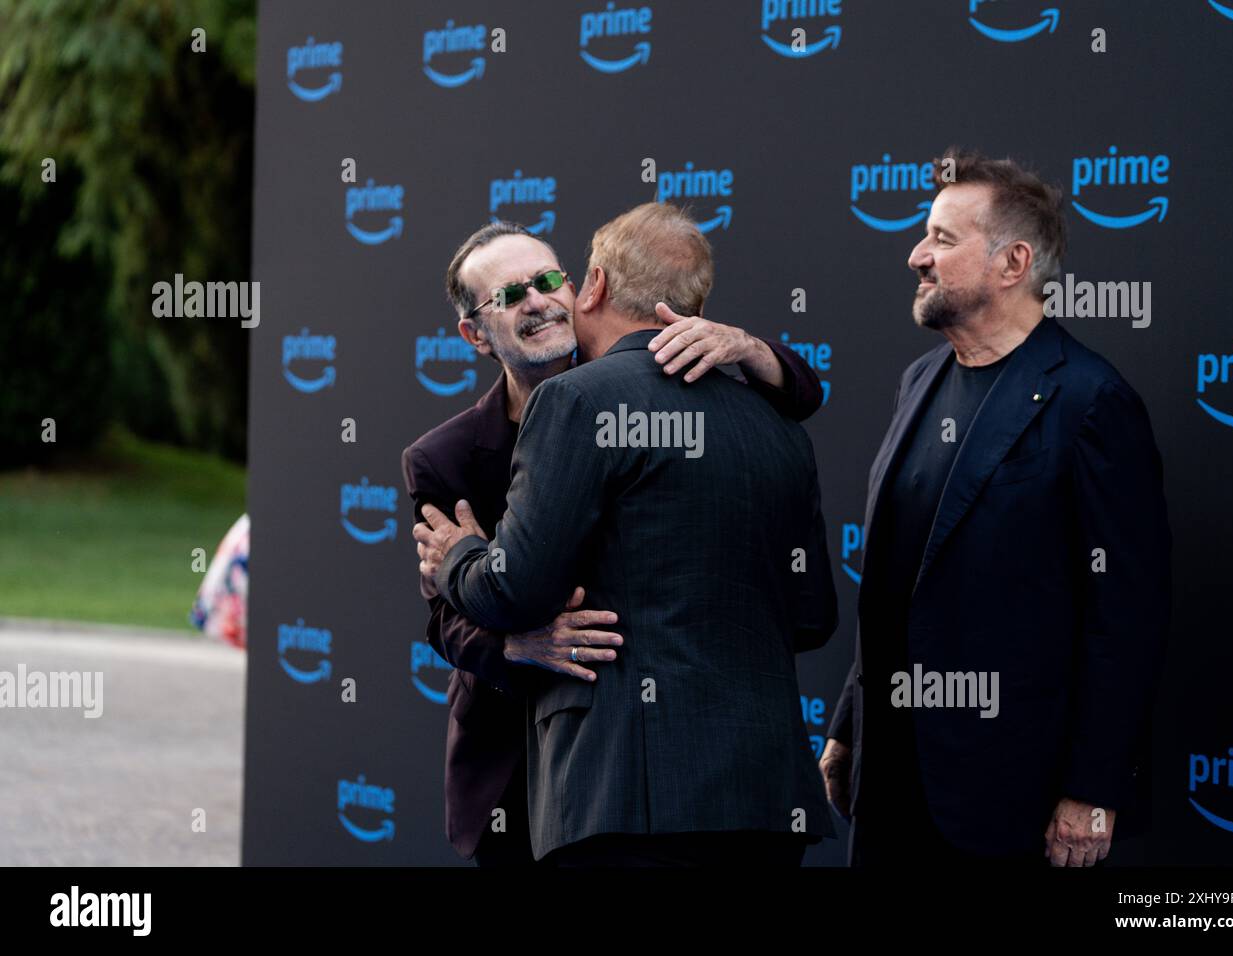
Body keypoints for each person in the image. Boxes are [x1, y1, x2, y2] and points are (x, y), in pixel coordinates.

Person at [421, 202, 838, 866]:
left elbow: (512, 589)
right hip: (764, 800)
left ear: (590, 286)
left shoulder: (577, 401)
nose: (538, 301)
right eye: (509, 294)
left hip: (623, 799)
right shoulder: (777, 423)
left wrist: (457, 556)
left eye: (549, 282)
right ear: (474, 331)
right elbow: (813, 616)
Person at [820, 148, 1171, 868]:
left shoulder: (1092, 401)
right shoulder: (919, 381)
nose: (916, 255)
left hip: (1011, 799)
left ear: (1013, 264)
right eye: (925, 235)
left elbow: (1126, 618)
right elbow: (894, 583)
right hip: (891, 782)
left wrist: (1092, 788)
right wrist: (851, 725)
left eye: (943, 239)